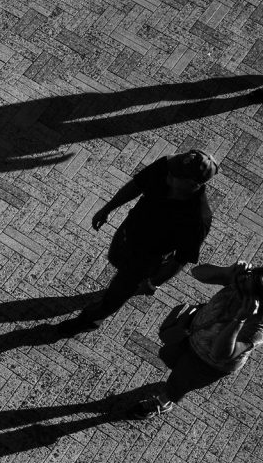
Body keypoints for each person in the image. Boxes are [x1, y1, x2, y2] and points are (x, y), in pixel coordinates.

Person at [59, 150, 217, 334]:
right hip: (127, 234)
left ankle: (92, 320)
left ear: (191, 184)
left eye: (174, 175)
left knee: (119, 291)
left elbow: (180, 259)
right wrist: (107, 208)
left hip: (146, 260)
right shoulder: (167, 166)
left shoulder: (198, 219)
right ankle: (115, 291)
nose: (167, 173)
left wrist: (153, 282)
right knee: (115, 259)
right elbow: (136, 185)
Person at [131, 261, 263, 419]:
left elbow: (219, 354)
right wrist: (227, 272)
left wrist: (239, 319)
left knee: (178, 384)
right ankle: (176, 379)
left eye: (247, 283)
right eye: (248, 276)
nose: (241, 282)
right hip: (191, 335)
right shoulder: (241, 283)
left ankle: (163, 402)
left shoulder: (257, 328)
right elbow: (197, 272)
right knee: (170, 357)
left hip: (206, 363)